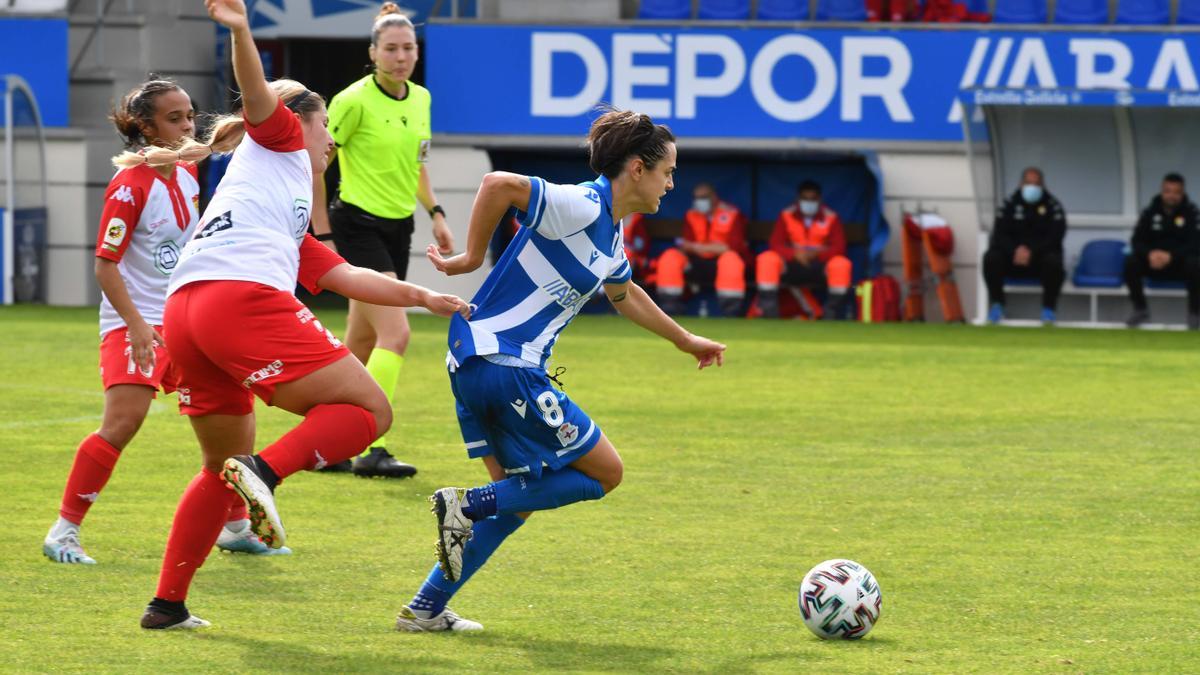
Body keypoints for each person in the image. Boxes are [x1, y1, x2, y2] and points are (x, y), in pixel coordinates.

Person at [136, 0, 468, 630]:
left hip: (187, 313)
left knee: (218, 471)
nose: (330, 142)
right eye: (325, 132)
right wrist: (239, 30)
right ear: (302, 125)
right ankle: (265, 473)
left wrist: (423, 296)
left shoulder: (278, 207)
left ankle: (167, 605)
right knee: (370, 412)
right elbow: (260, 94)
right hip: (238, 303)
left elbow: (346, 277)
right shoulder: (283, 141)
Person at [391, 110, 727, 632]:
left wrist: (685, 340)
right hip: (507, 364)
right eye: (668, 171)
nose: (672, 182)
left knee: (518, 501)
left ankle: (425, 608)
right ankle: (465, 504)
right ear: (637, 169)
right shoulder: (583, 203)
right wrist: (470, 258)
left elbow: (624, 293)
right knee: (605, 472)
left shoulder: (611, 237)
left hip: (474, 362)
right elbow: (497, 184)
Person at [42, 77, 278, 563]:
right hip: (138, 323)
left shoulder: (186, 174)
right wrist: (136, 325)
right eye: (175, 118)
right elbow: (105, 264)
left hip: (184, 322)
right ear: (145, 127)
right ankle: (63, 531)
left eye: (190, 115)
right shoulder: (129, 185)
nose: (188, 125)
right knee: (123, 422)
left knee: (230, 425)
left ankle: (233, 527)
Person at [308, 2, 454, 478]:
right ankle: (374, 445)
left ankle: (326, 443)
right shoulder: (351, 101)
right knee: (398, 332)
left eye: (408, 47)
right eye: (390, 48)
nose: (400, 56)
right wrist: (322, 234)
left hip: (398, 227)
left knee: (363, 339)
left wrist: (435, 213)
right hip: (356, 225)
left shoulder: (422, 99)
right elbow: (317, 163)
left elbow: (418, 164)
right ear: (372, 53)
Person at [755, 180, 852, 319]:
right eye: (805, 199)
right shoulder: (786, 215)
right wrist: (794, 254)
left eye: (813, 199)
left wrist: (816, 254)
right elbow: (776, 244)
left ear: (819, 199)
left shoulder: (831, 217)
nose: (809, 202)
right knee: (767, 259)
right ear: (798, 199)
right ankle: (769, 313)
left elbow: (839, 247)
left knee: (841, 264)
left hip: (820, 264)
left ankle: (832, 314)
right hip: (791, 264)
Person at [982, 167, 1067, 324]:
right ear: (1021, 183)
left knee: (1054, 261)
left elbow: (1055, 237)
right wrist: (1015, 250)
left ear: (1043, 185)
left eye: (1036, 183)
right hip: (1012, 259)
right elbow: (999, 234)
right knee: (991, 258)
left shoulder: (1053, 206)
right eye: (1029, 183)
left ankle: (1048, 310)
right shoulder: (1009, 203)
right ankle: (997, 305)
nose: (1032, 187)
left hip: (1039, 261)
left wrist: (1032, 251)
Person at [655, 182, 748, 316]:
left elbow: (733, 247)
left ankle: (730, 312)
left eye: (704, 197)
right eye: (697, 198)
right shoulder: (691, 214)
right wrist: (705, 248)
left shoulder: (732, 214)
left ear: (714, 197)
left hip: (720, 263)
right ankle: (670, 309)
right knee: (670, 256)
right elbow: (686, 244)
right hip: (696, 262)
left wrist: (699, 247)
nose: (700, 201)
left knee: (730, 259)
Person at [1125, 172, 1200, 329]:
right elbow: (1136, 240)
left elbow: (1195, 243)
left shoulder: (1192, 213)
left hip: (1180, 265)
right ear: (1162, 191)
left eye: (1176, 192)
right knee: (1131, 262)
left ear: (1182, 193)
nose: (1171, 196)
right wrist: (1150, 254)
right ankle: (1140, 309)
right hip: (1153, 264)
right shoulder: (1150, 212)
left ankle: (1195, 313)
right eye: (1168, 191)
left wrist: (1171, 256)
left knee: (1195, 263)